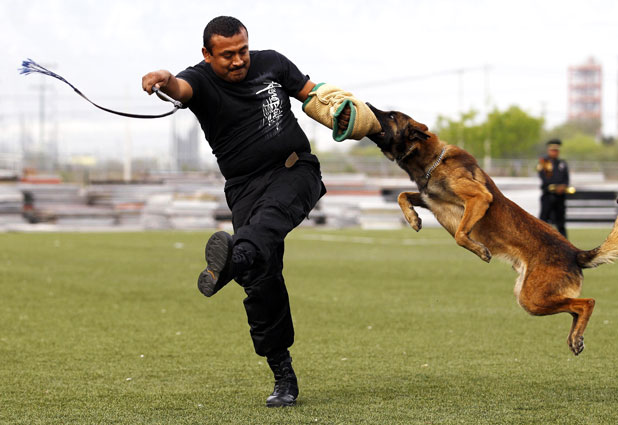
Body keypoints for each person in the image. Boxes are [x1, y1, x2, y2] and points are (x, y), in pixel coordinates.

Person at [141, 16, 369, 407]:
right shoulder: (198, 80)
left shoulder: (272, 63)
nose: (238, 60)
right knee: (261, 281)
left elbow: (314, 95)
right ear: (207, 54)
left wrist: (358, 116)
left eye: (242, 50)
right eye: (227, 54)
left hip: (294, 170)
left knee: (266, 223)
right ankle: (283, 375)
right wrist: (164, 79)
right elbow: (180, 88)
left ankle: (237, 256)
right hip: (244, 188)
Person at [537, 139, 570, 238]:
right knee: (543, 222)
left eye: (556, 150)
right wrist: (556, 187)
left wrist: (563, 186)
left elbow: (566, 179)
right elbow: (546, 179)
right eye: (552, 150)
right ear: (549, 150)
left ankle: (565, 243)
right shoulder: (544, 162)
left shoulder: (562, 163)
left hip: (560, 197)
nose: (555, 152)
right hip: (548, 196)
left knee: (561, 223)